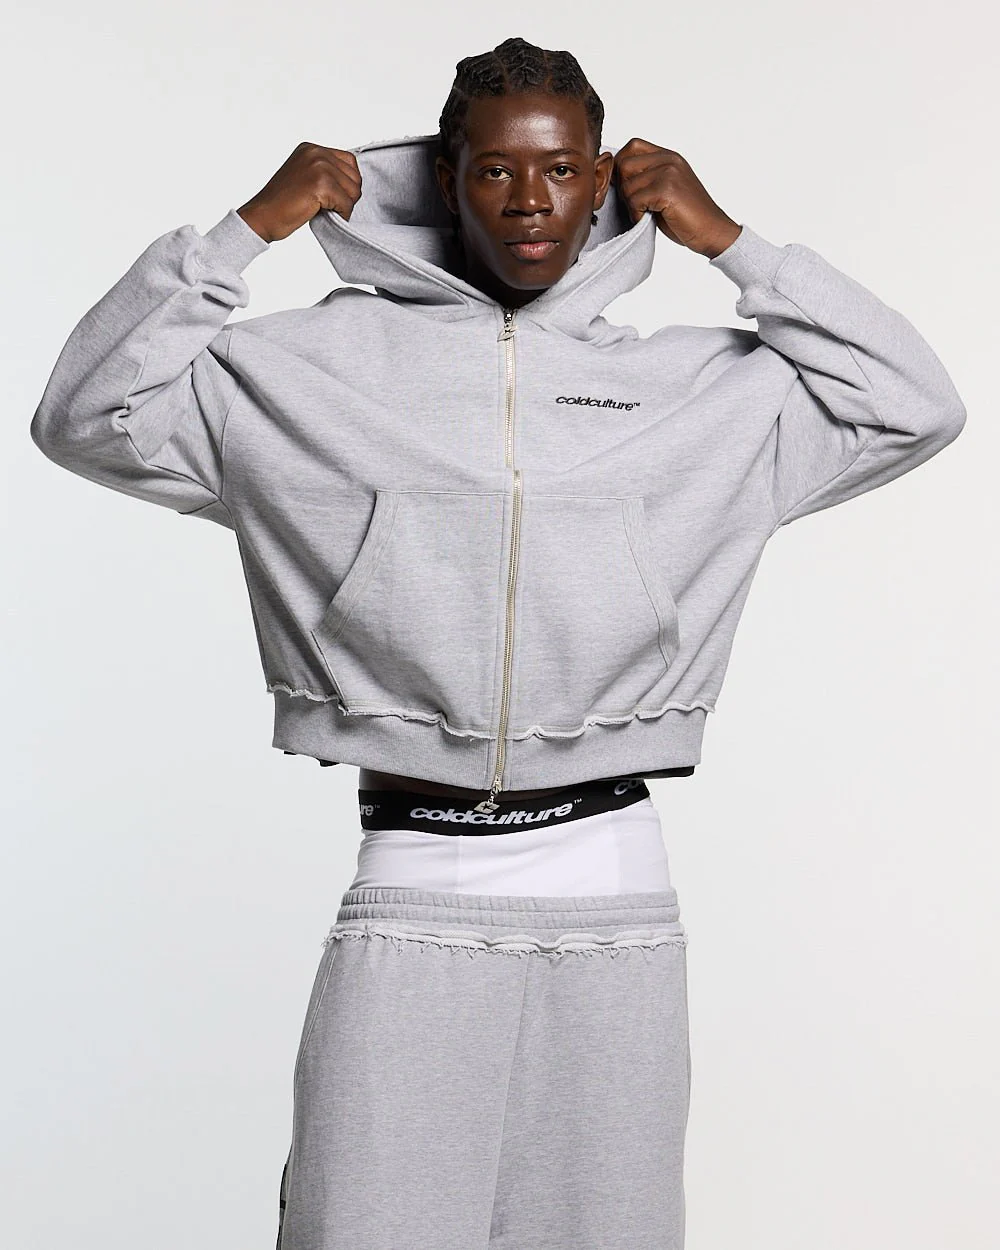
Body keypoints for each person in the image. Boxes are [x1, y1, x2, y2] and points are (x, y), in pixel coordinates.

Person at [30, 35, 966, 1250]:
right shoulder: (309, 370)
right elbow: (83, 412)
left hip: (614, 887)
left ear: (604, 182)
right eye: (494, 170)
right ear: (444, 178)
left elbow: (915, 404)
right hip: (416, 872)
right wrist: (243, 233)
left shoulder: (695, 389)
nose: (530, 199)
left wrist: (735, 244)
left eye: (563, 169)